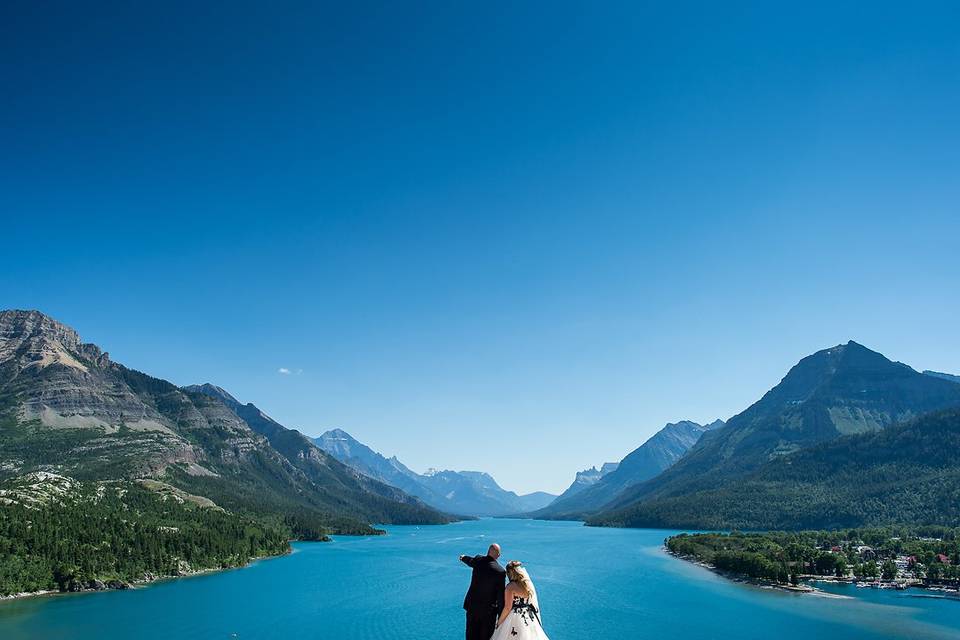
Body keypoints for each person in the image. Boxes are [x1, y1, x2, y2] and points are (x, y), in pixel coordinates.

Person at [490, 560, 550, 640]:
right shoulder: (527, 585)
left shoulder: (510, 587)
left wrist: (499, 623)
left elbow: (508, 607)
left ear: (509, 573)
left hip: (514, 617)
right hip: (528, 616)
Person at [460, 543, 506, 640]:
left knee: (471, 635)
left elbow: (470, 561)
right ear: (498, 555)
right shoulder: (500, 571)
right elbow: (500, 596)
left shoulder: (478, 560)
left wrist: (463, 557)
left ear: (488, 552)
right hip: (488, 613)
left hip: (472, 607)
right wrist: (501, 616)